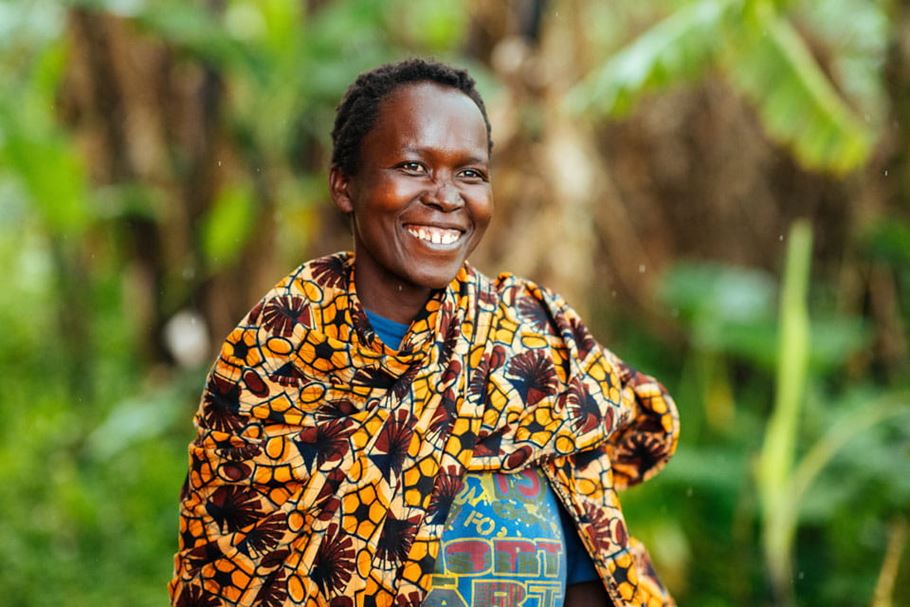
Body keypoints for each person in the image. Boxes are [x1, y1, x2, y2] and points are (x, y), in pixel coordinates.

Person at [169, 58, 679, 607]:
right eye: (413, 167)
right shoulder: (274, 353)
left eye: (470, 173)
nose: (446, 195)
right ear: (344, 184)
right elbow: (221, 576)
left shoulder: (534, 346)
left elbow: (592, 566)